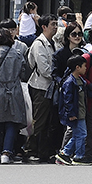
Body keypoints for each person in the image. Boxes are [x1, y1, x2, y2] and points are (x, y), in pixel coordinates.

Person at [0, 28, 32, 164]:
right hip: (14, 90)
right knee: (11, 123)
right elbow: (23, 73)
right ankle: (6, 152)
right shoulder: (17, 54)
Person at [25, 15, 59, 162]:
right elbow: (44, 69)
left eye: (56, 24)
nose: (56, 27)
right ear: (44, 26)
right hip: (40, 87)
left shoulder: (53, 42)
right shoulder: (39, 44)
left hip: (50, 87)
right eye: (53, 24)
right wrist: (58, 75)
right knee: (39, 121)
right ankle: (30, 151)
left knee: (48, 121)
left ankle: (43, 152)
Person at [56, 53, 91, 165]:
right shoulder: (70, 82)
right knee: (82, 134)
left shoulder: (80, 80)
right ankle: (78, 156)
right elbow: (67, 100)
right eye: (84, 66)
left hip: (81, 111)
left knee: (78, 135)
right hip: (76, 113)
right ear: (77, 67)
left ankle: (65, 153)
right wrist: (71, 113)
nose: (85, 68)